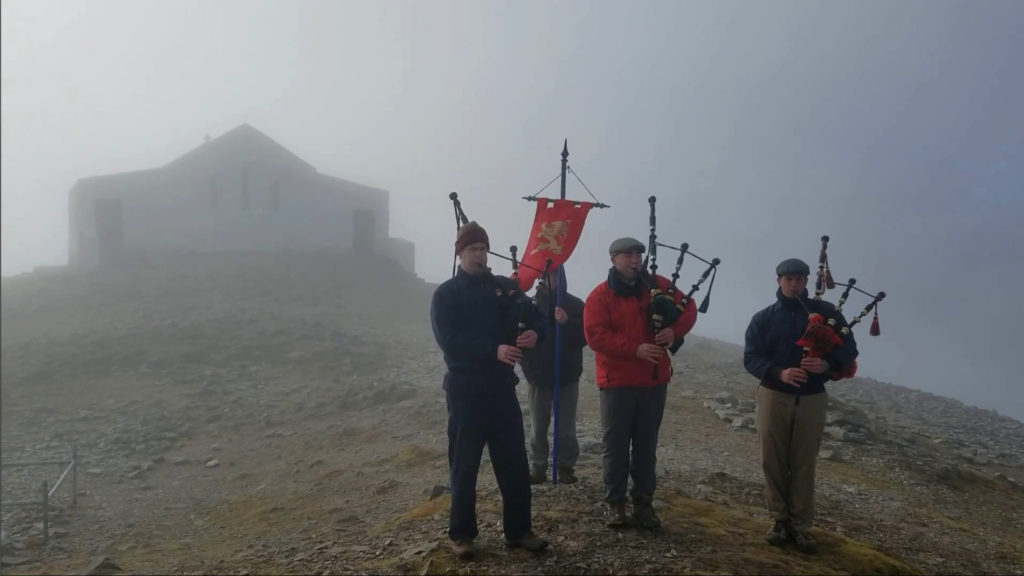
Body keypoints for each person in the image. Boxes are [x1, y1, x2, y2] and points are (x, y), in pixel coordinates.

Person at [429, 221, 550, 559]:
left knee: (513, 463)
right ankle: (462, 535)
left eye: (483, 249)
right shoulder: (446, 294)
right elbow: (448, 340)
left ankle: (519, 531)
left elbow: (537, 317)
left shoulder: (504, 289)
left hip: (501, 389)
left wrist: (535, 335)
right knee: (464, 466)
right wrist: (493, 349)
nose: (480, 255)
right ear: (461, 253)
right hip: (465, 392)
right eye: (473, 250)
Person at [743, 258, 859, 554]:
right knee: (773, 459)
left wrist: (827, 363)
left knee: (804, 462)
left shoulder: (827, 314)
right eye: (789, 279)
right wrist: (778, 372)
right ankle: (779, 520)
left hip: (812, 397)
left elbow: (850, 348)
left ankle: (800, 524)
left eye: (800, 279)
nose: (794, 284)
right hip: (773, 394)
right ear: (779, 280)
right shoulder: (764, 318)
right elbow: (752, 357)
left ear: (807, 282)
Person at [583, 237, 697, 529]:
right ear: (613, 259)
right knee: (616, 445)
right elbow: (595, 335)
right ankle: (615, 504)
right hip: (617, 382)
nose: (635, 260)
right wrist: (634, 349)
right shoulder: (600, 296)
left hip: (653, 381)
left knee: (646, 447)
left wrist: (673, 331)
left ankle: (643, 504)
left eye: (638, 255)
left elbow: (690, 307)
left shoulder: (657, 285)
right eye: (628, 255)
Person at [520, 266, 587, 485]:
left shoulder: (576, 305)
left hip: (567, 375)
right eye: (545, 274)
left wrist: (567, 322)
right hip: (538, 376)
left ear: (562, 276)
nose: (548, 278)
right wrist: (527, 364)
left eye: (553, 274)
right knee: (538, 426)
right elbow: (519, 336)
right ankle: (538, 467)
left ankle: (566, 467)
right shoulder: (529, 306)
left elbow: (586, 337)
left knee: (566, 428)